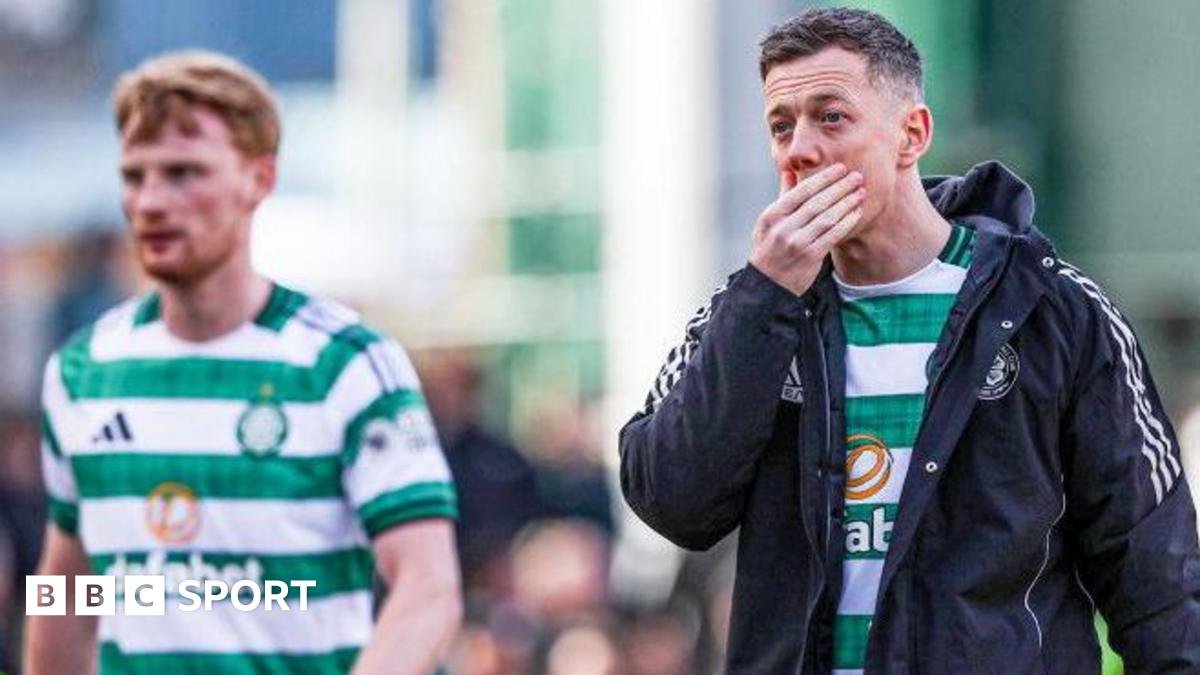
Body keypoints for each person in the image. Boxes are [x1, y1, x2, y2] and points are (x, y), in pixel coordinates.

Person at [619, 7, 1200, 673]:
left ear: (911, 134)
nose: (798, 148)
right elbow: (672, 502)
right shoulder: (748, 312)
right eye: (781, 126)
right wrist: (764, 298)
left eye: (830, 116)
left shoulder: (1056, 311)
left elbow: (1159, 581)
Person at [24, 51, 462, 674]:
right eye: (134, 176)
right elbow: (69, 593)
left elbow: (427, 588)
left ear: (259, 179)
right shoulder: (82, 373)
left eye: (183, 173)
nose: (150, 201)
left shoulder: (346, 364)